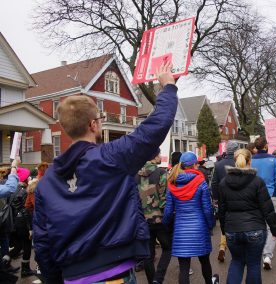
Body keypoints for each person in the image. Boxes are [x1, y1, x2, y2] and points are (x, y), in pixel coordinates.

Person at [32, 62, 178, 284]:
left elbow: (42, 240)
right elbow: (155, 128)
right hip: (113, 273)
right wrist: (168, 87)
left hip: (72, 276)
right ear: (93, 125)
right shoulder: (111, 157)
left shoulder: (46, 180)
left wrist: (54, 279)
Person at [219, 149, 276, 284]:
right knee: (253, 264)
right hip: (255, 230)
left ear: (235, 161)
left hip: (232, 230)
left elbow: (222, 210)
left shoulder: (224, 183)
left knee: (236, 262)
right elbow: (268, 209)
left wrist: (225, 230)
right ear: (249, 161)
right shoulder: (257, 181)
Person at [163, 151, 218, 284]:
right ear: (194, 165)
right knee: (205, 261)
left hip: (181, 229)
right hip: (199, 228)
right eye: (197, 164)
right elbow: (207, 208)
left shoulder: (172, 183)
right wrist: (211, 224)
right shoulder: (201, 183)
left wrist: (165, 225)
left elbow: (168, 211)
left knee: (184, 268)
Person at [136, 149, 171, 284]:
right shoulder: (161, 173)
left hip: (143, 220)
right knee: (167, 248)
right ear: (154, 156)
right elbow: (164, 199)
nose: (161, 157)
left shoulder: (135, 175)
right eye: (159, 154)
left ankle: (152, 281)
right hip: (159, 219)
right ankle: (158, 278)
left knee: (148, 255)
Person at [251, 137, 276, 270]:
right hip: (270, 196)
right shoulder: (273, 160)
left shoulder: (251, 160)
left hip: (254, 197)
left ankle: (257, 252)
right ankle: (267, 255)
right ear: (265, 146)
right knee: (271, 226)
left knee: (258, 225)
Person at [211, 141, 239, 262]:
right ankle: (235, 249)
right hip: (239, 198)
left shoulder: (218, 164)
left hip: (223, 200)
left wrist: (216, 198)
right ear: (237, 150)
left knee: (225, 224)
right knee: (238, 223)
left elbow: (214, 183)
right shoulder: (240, 163)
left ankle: (223, 246)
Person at [9, 167, 36, 278]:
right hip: (23, 222)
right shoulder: (25, 192)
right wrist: (30, 227)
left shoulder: (13, 190)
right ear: (25, 179)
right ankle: (25, 270)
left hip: (14, 221)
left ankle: (5, 262)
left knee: (19, 245)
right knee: (26, 246)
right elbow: (25, 210)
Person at [0, 159, 20, 277]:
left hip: (3, 220)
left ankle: (5, 265)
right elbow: (10, 189)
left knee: (5, 240)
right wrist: (13, 168)